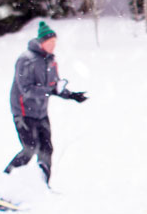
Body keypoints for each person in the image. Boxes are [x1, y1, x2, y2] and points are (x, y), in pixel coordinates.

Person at [5, 21, 87, 184]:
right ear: (41, 43)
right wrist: (50, 90)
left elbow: (54, 86)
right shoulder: (26, 60)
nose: (53, 46)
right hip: (23, 111)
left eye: (55, 43)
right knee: (29, 149)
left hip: (41, 112)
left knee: (46, 149)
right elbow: (26, 89)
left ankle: (42, 185)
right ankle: (6, 177)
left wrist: (71, 95)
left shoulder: (50, 61)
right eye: (50, 43)